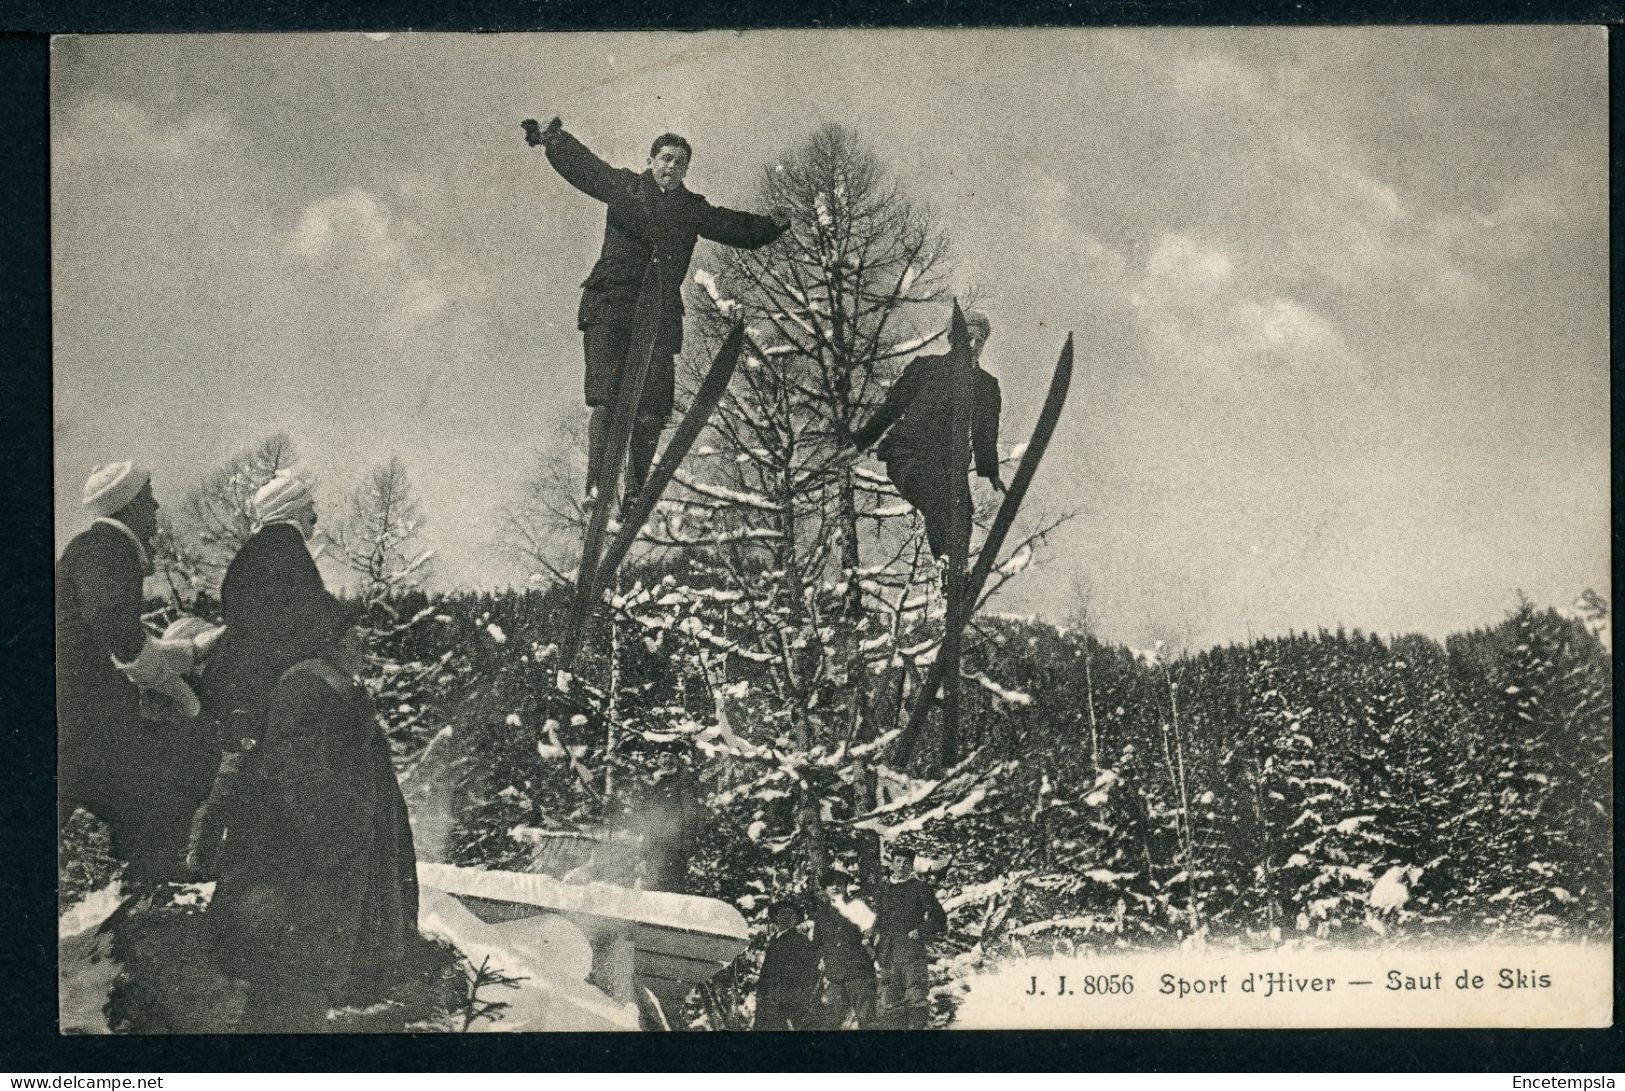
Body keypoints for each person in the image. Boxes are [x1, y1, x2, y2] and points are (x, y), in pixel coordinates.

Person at [524, 115, 789, 510]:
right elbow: (586, 168)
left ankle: (635, 491)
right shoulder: (625, 188)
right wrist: (554, 141)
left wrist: (771, 226)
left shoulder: (690, 209)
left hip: (658, 315)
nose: (672, 167)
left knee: (651, 406)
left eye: (680, 163)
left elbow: (732, 226)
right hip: (611, 305)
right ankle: (597, 486)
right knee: (608, 397)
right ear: (651, 161)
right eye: (666, 159)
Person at [204, 586, 419, 1034]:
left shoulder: (332, 690)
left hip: (326, 887)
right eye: (358, 633)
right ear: (335, 639)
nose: (366, 644)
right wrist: (341, 847)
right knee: (286, 1006)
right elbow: (301, 783)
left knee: (300, 1001)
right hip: (304, 890)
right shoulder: (308, 687)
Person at [56, 462, 218, 883]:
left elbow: (122, 640)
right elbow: (121, 640)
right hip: (84, 712)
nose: (157, 505)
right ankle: (155, 884)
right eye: (148, 498)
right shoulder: (110, 548)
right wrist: (185, 697)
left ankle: (149, 880)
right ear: (128, 506)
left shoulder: (92, 549)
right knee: (154, 783)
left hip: (72, 709)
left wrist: (190, 650)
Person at [848, 309, 1005, 566]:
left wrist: (991, 470)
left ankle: (954, 575)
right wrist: (860, 442)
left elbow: (984, 432)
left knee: (963, 516)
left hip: (950, 466)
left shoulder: (986, 386)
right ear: (953, 339)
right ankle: (946, 559)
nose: (975, 345)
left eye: (981, 340)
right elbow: (892, 408)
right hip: (909, 454)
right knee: (936, 497)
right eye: (969, 338)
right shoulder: (926, 368)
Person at [203, 472, 329, 724]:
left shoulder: (250, 552)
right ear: (291, 510)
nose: (314, 520)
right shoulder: (290, 549)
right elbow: (312, 616)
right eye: (310, 510)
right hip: (271, 681)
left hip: (238, 674)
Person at [869, 846, 948, 1029]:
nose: (902, 866)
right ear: (891, 864)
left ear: (911, 866)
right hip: (888, 955)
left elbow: (939, 918)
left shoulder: (920, 888)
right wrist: (873, 938)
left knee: (916, 1000)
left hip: (911, 953)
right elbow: (880, 919)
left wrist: (921, 930)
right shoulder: (884, 890)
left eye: (907, 863)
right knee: (890, 1003)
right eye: (898, 861)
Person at [809, 870, 877, 1029]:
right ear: (825, 889)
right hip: (835, 976)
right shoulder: (822, 914)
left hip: (859, 973)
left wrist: (870, 950)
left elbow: (874, 934)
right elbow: (817, 944)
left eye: (839, 883)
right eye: (830, 884)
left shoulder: (858, 906)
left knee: (867, 1021)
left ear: (846, 886)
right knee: (831, 1021)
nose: (835, 887)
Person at [752, 901, 819, 1031]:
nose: (786, 917)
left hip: (787, 1002)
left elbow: (808, 972)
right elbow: (766, 970)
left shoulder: (800, 940)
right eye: (782, 913)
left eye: (790, 913)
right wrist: (761, 992)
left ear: (795, 918)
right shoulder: (774, 940)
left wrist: (794, 1000)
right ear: (776, 917)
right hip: (767, 1000)